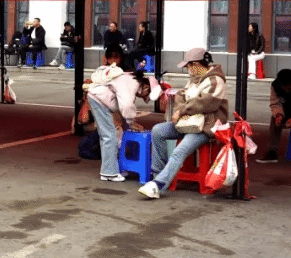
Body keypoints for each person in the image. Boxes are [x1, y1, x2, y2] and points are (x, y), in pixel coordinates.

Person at [139, 48, 228, 199]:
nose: (188, 70)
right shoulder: (194, 79)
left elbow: (205, 104)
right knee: (158, 130)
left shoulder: (215, 80)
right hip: (188, 123)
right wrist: (182, 108)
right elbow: (181, 96)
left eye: (188, 66)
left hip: (205, 127)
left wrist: (181, 111)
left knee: (179, 151)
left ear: (195, 64)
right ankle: (159, 173)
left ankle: (158, 185)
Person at [86, 46, 154, 182]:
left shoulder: (128, 77)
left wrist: (130, 120)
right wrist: (131, 122)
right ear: (145, 86)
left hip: (98, 99)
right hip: (99, 100)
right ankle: (109, 172)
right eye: (147, 93)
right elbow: (127, 104)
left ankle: (112, 169)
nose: (144, 97)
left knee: (108, 135)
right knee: (109, 136)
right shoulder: (132, 82)